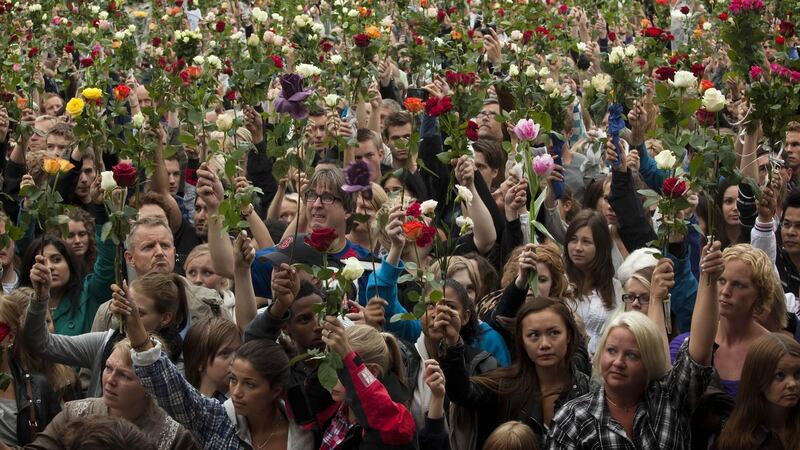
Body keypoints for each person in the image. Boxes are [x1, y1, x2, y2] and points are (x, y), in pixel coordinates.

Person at [545, 241, 723, 448]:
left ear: (650, 360)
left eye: (632, 355)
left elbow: (699, 352)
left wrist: (709, 276)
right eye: (611, 351)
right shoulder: (573, 420)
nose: (618, 362)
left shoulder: (670, 400)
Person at [119, 279, 313, 449]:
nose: (236, 392)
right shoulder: (219, 420)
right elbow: (169, 387)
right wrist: (136, 330)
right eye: (233, 380)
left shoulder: (307, 431)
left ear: (276, 390)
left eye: (250, 384)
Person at [441, 298, 591, 448]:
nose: (545, 344)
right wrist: (454, 342)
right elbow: (462, 393)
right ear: (522, 341)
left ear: (568, 336)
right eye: (534, 335)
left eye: (554, 333)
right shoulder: (506, 386)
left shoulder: (586, 390)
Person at [5, 338, 200, 450]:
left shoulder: (175, 436)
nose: (110, 380)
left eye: (124, 375)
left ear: (149, 385)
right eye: (108, 368)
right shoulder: (75, 412)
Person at [25, 266, 189, 398]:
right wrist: (41, 297)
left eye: (138, 312)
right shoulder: (104, 342)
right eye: (125, 306)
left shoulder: (178, 361)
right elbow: (42, 344)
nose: (127, 315)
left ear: (165, 318)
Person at [309, 320, 417, 450]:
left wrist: (348, 358)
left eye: (341, 370)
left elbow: (382, 415)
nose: (331, 380)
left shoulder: (387, 428)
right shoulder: (337, 409)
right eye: (329, 367)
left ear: (371, 372)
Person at [717, 333, 800, 449]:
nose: (792, 384)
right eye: (780, 375)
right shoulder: (738, 441)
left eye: (798, 374)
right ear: (758, 379)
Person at [20, 234, 114, 336]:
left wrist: (103, 224)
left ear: (69, 263)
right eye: (42, 263)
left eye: (56, 259)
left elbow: (107, 261)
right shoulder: (20, 303)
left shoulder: (89, 292)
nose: (49, 267)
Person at [564, 209, 621, 354]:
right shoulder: (559, 284)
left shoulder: (616, 288)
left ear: (600, 247)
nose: (578, 248)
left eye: (586, 242)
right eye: (573, 240)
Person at [183, 316, 241, 402]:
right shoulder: (189, 408)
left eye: (239, 351)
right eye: (225, 353)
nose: (236, 360)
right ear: (199, 362)